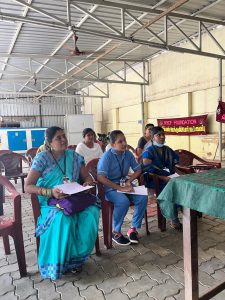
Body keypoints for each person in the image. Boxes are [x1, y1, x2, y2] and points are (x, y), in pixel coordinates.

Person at [25, 126, 100, 280]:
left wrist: (86, 183)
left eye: (64, 136)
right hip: (50, 201)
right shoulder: (42, 158)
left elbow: (87, 177)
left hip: (73, 199)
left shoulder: (74, 156)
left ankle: (77, 258)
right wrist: (50, 192)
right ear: (49, 142)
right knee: (63, 218)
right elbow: (28, 186)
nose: (63, 140)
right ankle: (61, 261)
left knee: (91, 211)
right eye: (58, 138)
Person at [97, 130, 148, 246]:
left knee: (142, 197)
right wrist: (118, 187)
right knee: (123, 202)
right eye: (120, 141)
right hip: (110, 187)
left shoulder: (128, 154)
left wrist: (129, 181)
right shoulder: (107, 157)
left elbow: (138, 169)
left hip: (124, 184)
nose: (124, 143)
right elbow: (100, 177)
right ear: (113, 144)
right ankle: (116, 231)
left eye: (124, 140)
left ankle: (133, 229)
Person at [142, 126, 182, 231]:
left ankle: (186, 210)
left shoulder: (168, 150)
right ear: (152, 138)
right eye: (158, 135)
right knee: (171, 188)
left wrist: (181, 175)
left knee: (184, 184)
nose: (162, 137)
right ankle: (174, 218)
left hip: (169, 177)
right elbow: (147, 172)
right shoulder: (148, 152)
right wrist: (163, 178)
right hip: (154, 179)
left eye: (163, 134)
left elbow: (174, 167)